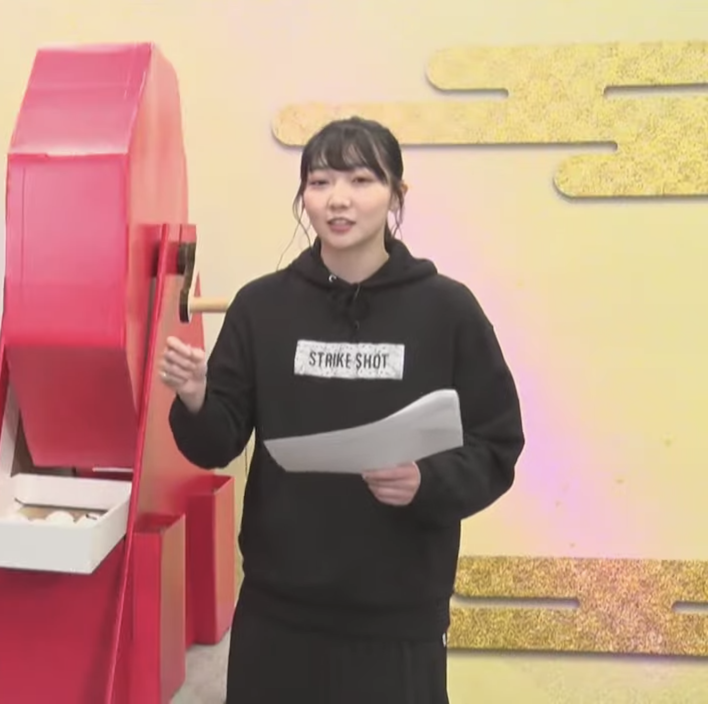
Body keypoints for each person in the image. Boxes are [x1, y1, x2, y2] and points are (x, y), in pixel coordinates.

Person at [160, 117, 524, 704]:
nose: (338, 199)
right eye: (320, 181)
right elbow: (216, 442)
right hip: (279, 608)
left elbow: (497, 443)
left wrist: (428, 480)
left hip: (398, 614)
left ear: (396, 194)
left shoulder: (448, 311)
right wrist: (198, 397)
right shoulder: (262, 307)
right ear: (303, 196)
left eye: (361, 180)